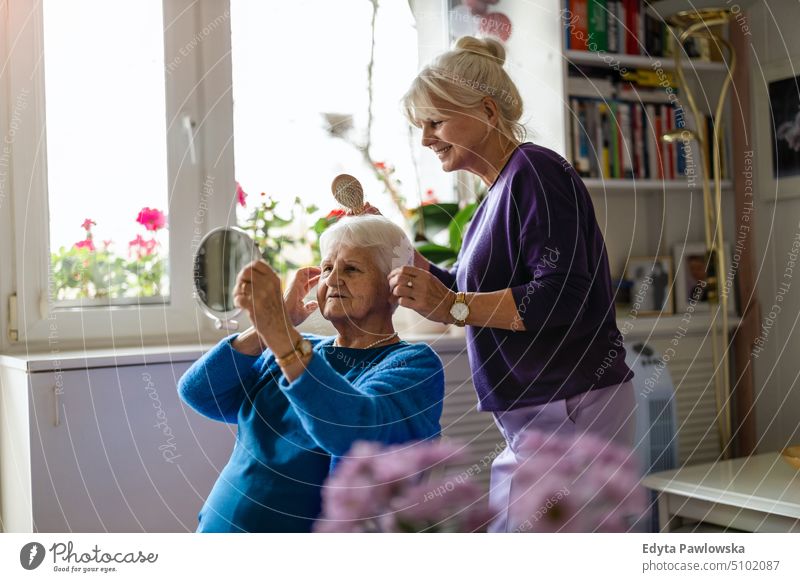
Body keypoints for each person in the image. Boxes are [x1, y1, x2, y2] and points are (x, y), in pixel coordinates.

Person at [386, 36, 636, 532]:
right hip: (537, 411)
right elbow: (464, 290)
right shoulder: (496, 195)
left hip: (570, 402)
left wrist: (455, 305)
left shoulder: (536, 171)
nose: (425, 139)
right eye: (421, 127)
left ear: (485, 110)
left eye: (435, 123)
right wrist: (394, 248)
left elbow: (560, 295)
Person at [178, 215, 444, 532]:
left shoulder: (412, 363)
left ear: (392, 286)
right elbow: (201, 393)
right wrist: (268, 331)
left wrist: (283, 337)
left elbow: (353, 433)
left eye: (351, 269)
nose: (332, 280)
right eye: (327, 268)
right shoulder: (298, 347)